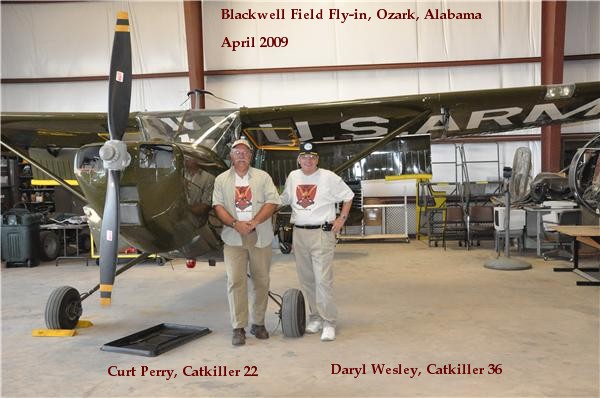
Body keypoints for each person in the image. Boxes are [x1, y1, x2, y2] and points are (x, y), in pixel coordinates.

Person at [280, 142, 354, 341]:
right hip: (299, 233)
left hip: (321, 233)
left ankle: (329, 321)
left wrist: (341, 219)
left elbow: (348, 196)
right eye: (304, 157)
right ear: (299, 160)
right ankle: (315, 317)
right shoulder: (293, 177)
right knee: (307, 280)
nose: (308, 160)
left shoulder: (329, 177)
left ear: (317, 160)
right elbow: (285, 198)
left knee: (323, 280)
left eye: (312, 157)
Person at [213, 139, 281, 346]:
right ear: (231, 156)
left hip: (259, 235)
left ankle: (258, 323)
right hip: (233, 237)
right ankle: (238, 327)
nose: (241, 155)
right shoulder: (221, 180)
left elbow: (273, 201)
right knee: (235, 281)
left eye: (245, 152)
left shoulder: (263, 177)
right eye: (237, 151)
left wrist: (254, 222)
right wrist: (235, 223)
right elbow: (218, 206)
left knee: (261, 280)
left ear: (250, 156)